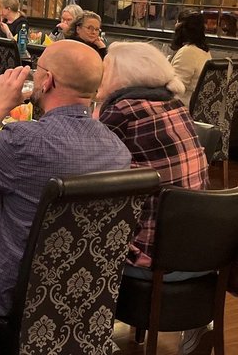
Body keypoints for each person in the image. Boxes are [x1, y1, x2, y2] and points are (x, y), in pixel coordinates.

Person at [0, 40, 131, 326]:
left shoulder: (23, 142)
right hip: (83, 296)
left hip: (5, 295)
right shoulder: (117, 150)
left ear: (48, 81)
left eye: (37, 68)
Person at [95, 41, 210, 355]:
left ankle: (90, 332)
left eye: (105, 69)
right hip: (199, 246)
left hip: (152, 254)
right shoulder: (174, 104)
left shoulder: (122, 110)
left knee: (75, 235)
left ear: (121, 76)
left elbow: (86, 164)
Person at [170, 9, 211, 107]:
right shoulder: (205, 51)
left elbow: (176, 89)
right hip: (197, 106)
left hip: (181, 107)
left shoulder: (188, 52)